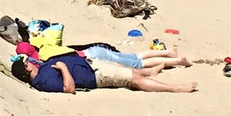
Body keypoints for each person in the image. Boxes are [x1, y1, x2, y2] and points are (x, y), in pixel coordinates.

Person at [12, 46, 196, 94]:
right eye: (26, 62)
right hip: (95, 75)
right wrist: (63, 68)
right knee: (134, 79)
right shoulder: (43, 82)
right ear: (27, 69)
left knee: (131, 70)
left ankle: (152, 72)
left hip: (92, 64)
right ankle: (175, 88)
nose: (29, 62)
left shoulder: (41, 71)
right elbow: (69, 88)